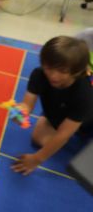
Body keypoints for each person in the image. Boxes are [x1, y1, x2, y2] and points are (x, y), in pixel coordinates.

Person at [12, 36, 93, 176]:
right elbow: (27, 104)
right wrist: (20, 112)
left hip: (88, 124)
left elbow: (64, 134)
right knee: (38, 137)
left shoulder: (83, 93)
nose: (53, 76)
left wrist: (37, 159)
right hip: (60, 113)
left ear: (76, 72)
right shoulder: (39, 74)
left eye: (62, 71)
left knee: (80, 158)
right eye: (49, 67)